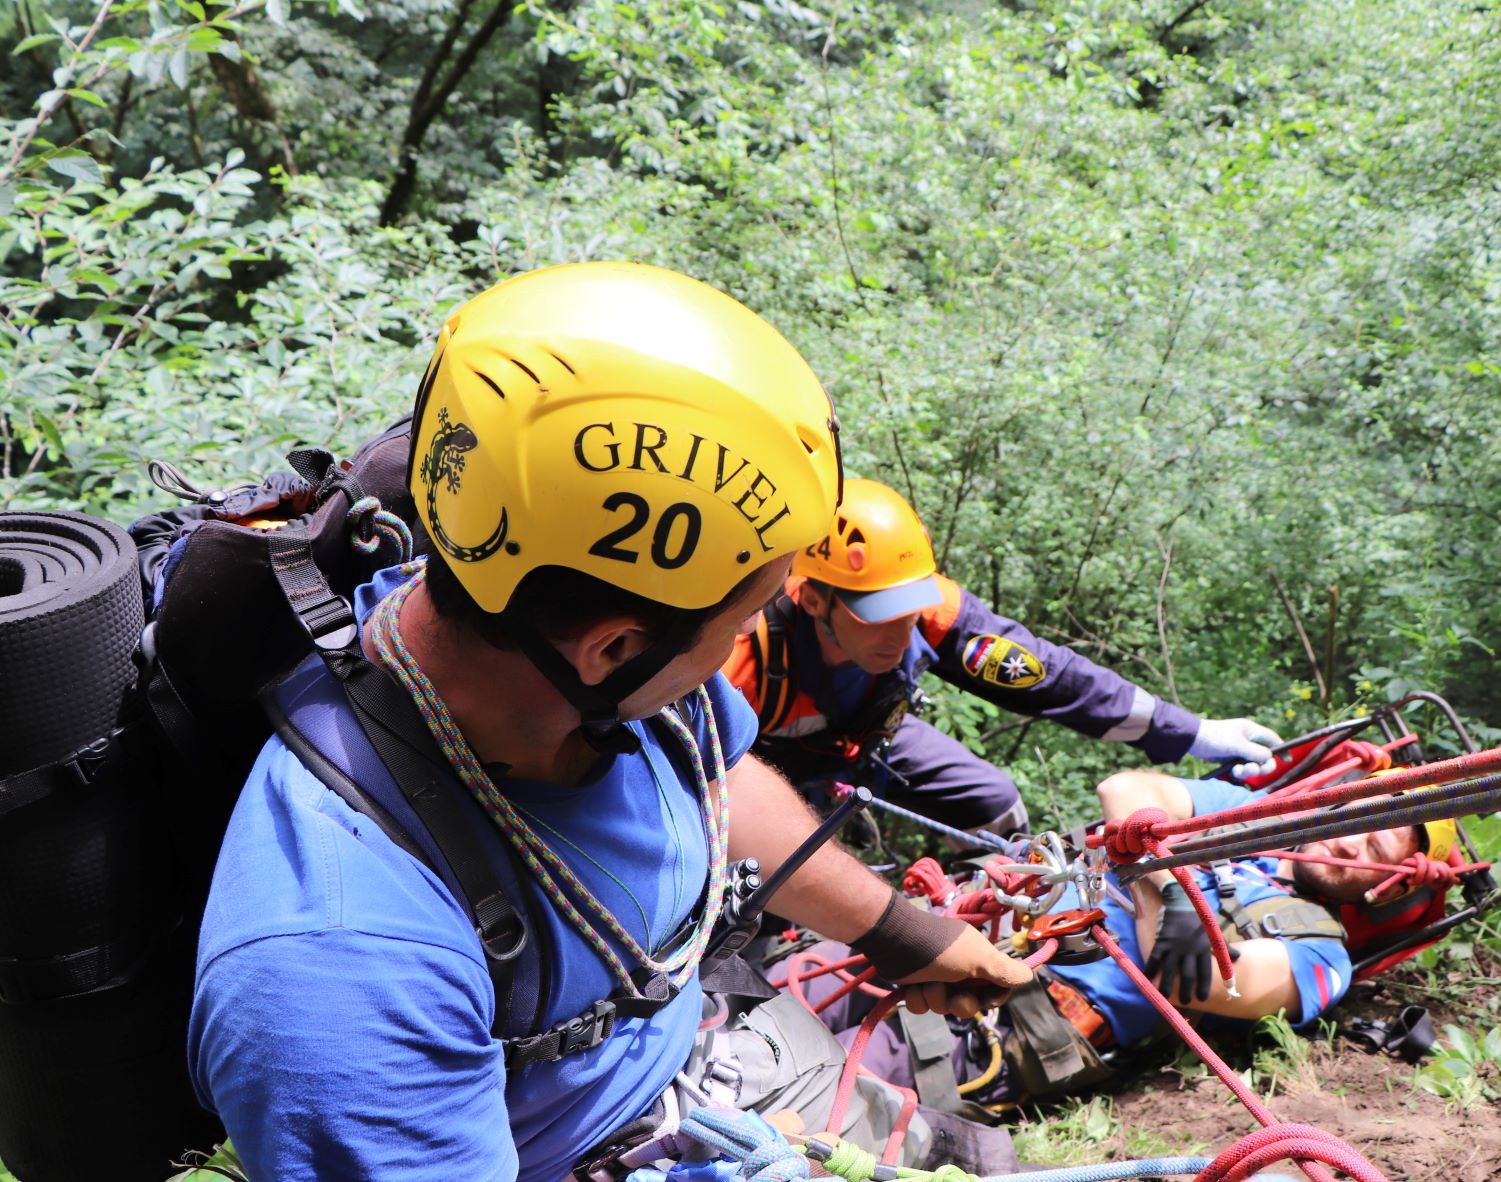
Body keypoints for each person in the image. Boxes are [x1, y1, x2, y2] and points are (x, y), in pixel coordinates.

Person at [185, 263, 1032, 1182]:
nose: (746, 638)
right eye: (745, 615)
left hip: (714, 1062)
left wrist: (900, 933)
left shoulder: (571, 630)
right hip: (589, 1152)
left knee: (988, 1162)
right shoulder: (342, 965)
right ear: (613, 648)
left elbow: (710, 777)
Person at [796, 769, 1460, 1113]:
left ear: (1387, 889)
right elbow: (1127, 790)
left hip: (998, 1017)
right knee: (771, 996)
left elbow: (1202, 982)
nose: (1352, 844)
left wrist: (1146, 860)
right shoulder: (1244, 814)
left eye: (1377, 850)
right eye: (1360, 822)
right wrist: (1168, 893)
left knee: (793, 1083)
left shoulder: (1321, 952)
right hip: (948, 922)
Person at [720, 479, 1286, 836]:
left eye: (909, 610)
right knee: (773, 879)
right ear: (813, 599)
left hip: (871, 743)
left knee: (994, 803)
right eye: (879, 615)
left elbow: (1053, 678)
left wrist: (1190, 732)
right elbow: (709, 787)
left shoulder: (934, 609)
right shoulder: (741, 658)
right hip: (757, 773)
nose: (901, 632)